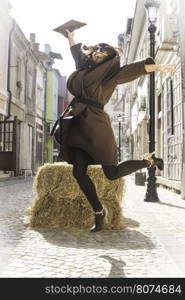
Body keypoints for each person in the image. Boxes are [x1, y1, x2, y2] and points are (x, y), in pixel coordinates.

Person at [57, 29, 175, 232]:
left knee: (111, 173)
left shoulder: (110, 76)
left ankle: (149, 162)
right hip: (77, 124)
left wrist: (160, 67)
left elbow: (133, 70)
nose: (98, 53)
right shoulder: (84, 69)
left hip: (96, 127)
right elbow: (77, 54)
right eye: (97, 50)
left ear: (109, 58)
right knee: (78, 172)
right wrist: (70, 36)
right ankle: (99, 212)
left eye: (103, 52)